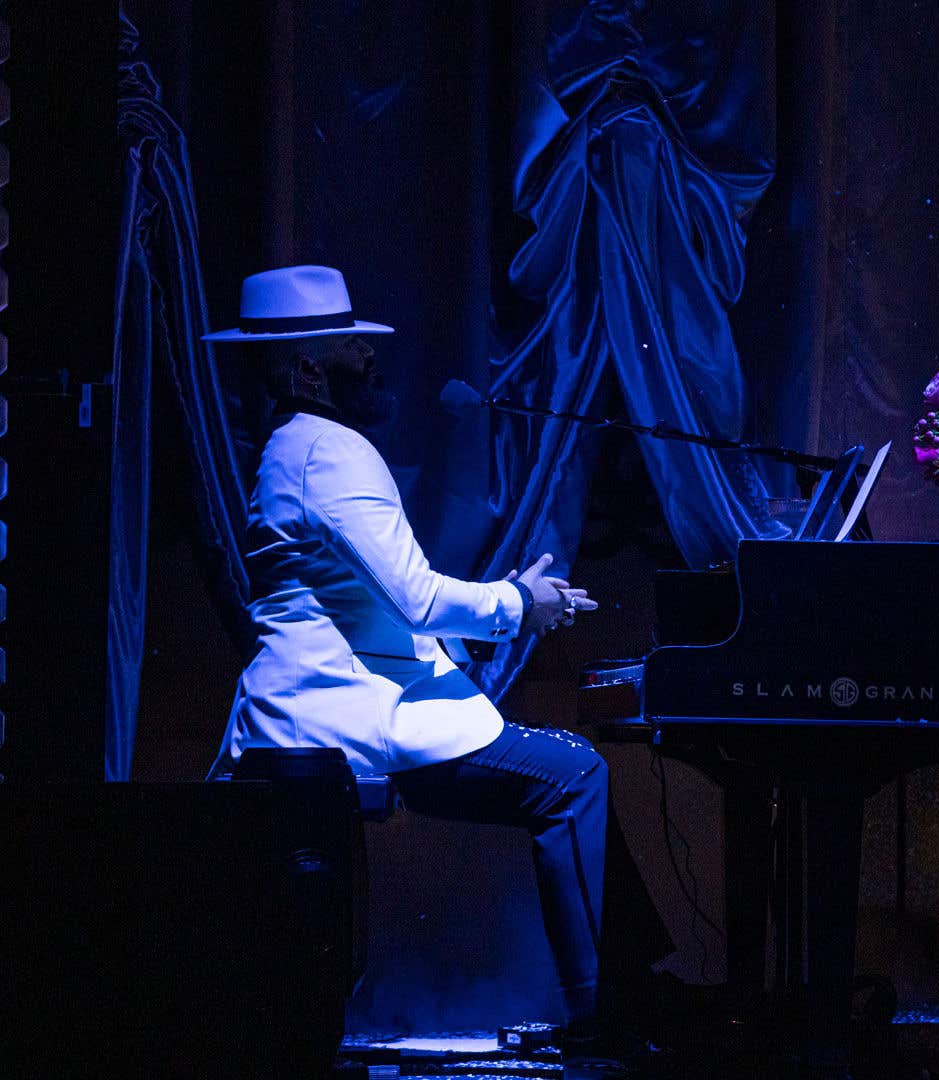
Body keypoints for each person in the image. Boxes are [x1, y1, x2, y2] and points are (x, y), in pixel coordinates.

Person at [203, 265, 668, 1057]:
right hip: (347, 715)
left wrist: (500, 611)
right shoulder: (329, 452)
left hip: (330, 705)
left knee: (568, 773)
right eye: (355, 349)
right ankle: (605, 1014)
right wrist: (521, 604)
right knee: (575, 774)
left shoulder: (296, 446)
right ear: (310, 368)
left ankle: (630, 992)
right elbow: (415, 599)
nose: (372, 362)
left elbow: (377, 601)